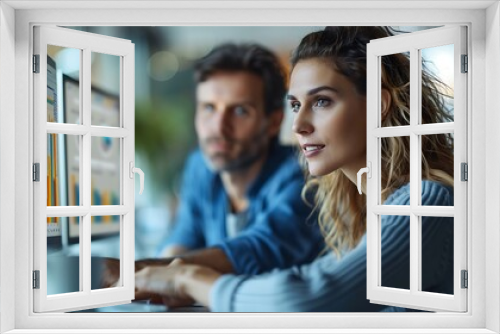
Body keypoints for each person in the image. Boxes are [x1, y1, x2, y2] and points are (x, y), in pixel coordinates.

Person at [134, 26, 455, 312]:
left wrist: (186, 278)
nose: (299, 125)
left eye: (322, 101)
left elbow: (308, 294)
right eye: (296, 105)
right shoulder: (352, 208)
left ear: (378, 105)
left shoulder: (426, 202)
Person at [104, 43, 324, 294]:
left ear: (274, 121)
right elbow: (184, 235)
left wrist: (135, 271)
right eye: (209, 108)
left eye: (240, 111)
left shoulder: (305, 175)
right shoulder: (201, 165)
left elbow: (260, 248)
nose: (219, 127)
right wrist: (151, 280)